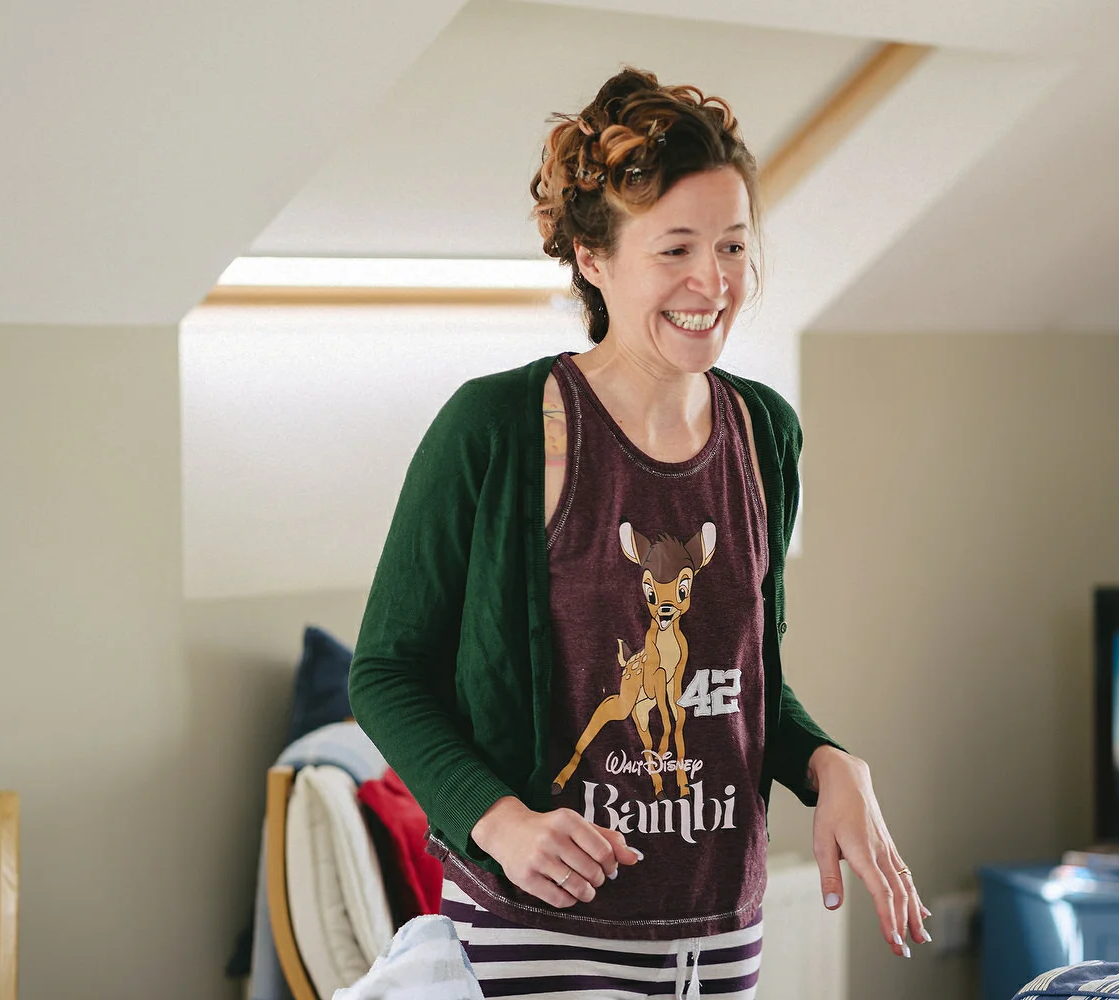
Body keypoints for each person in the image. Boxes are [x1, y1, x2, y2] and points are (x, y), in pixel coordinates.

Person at [349, 67, 928, 998]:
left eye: (734, 245)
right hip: (537, 932)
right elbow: (385, 672)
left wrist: (830, 764)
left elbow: (738, 685)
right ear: (592, 257)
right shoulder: (493, 428)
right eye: (676, 250)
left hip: (722, 938)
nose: (715, 281)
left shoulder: (764, 433)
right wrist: (496, 821)